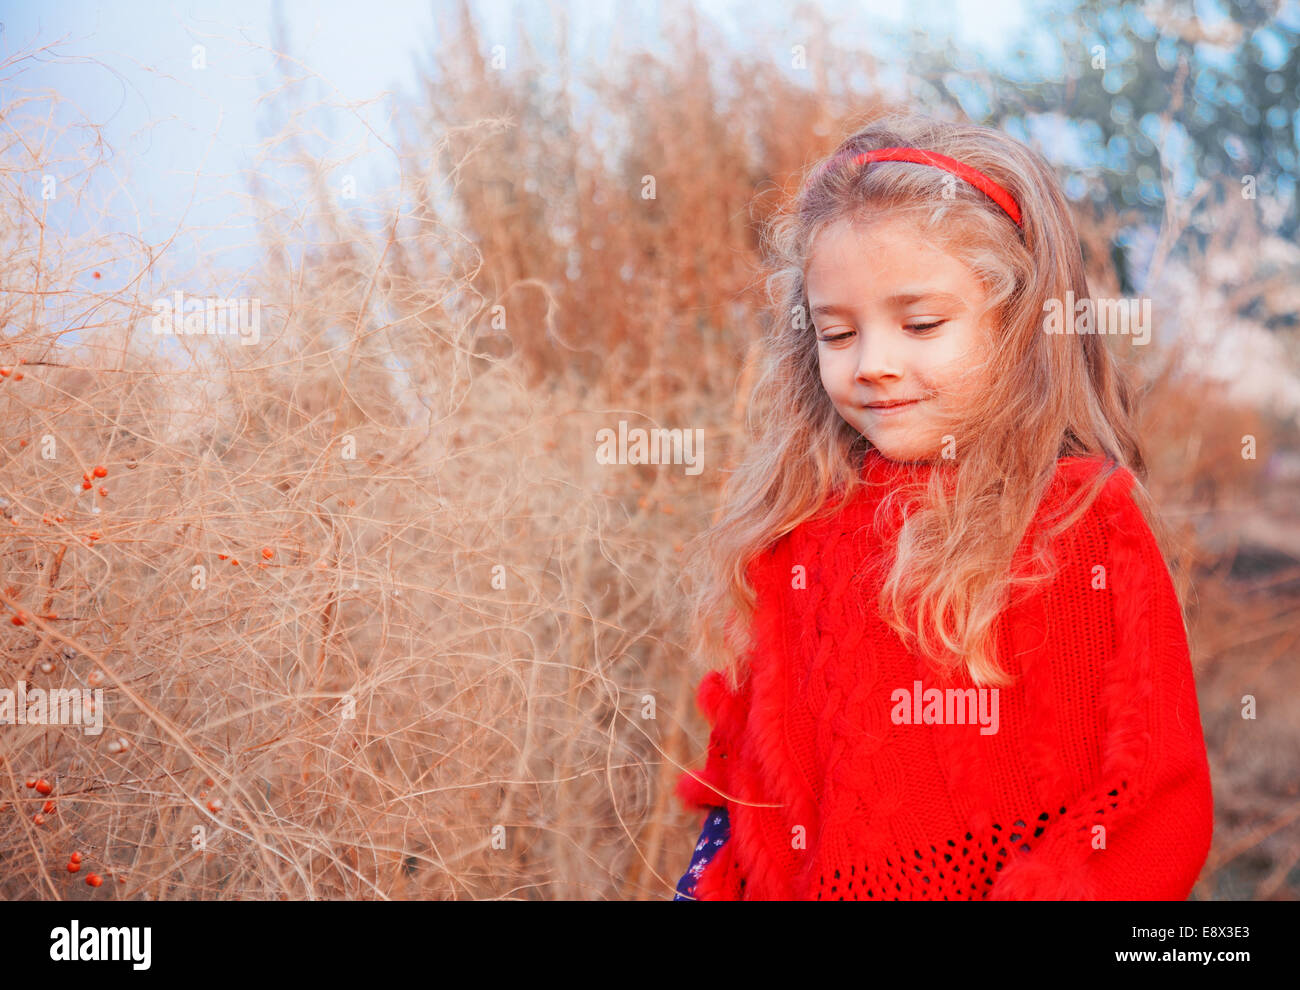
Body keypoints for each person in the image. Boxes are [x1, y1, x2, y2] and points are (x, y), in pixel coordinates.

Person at [671, 111, 1213, 901]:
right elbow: (746, 803)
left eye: (920, 323)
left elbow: (1152, 807)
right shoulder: (797, 533)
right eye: (838, 332)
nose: (874, 365)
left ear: (1020, 323)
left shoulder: (1076, 522)